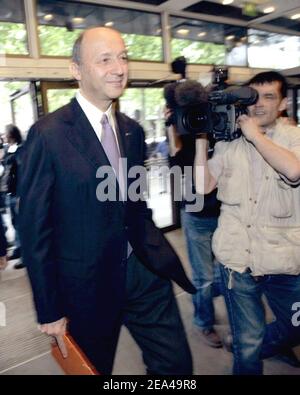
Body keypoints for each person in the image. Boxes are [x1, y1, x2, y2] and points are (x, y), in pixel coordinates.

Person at [19, 27, 195, 375]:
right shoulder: (48, 134)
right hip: (86, 285)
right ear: (76, 70)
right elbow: (33, 229)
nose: (119, 68)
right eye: (104, 60)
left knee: (176, 366)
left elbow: (135, 202)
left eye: (123, 57)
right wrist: (48, 307)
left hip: (143, 273)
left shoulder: (132, 130)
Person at [194, 71, 300, 374]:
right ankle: (247, 344)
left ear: (282, 104)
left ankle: (262, 342)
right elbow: (203, 186)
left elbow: (293, 171)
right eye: (253, 97)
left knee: (295, 327)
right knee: (247, 347)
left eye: (269, 97)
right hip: (236, 261)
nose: (259, 104)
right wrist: (202, 139)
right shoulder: (230, 141)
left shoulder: (295, 137)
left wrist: (255, 135)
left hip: (285, 262)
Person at [166, 114, 222, 348]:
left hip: (223, 213)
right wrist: (172, 126)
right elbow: (175, 160)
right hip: (196, 215)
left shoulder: (221, 136)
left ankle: (200, 298)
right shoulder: (185, 140)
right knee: (204, 277)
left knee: (223, 274)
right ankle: (203, 322)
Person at [3, 125, 24, 268]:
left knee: (21, 224)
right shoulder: (7, 149)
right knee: (14, 223)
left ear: (12, 134)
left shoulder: (21, 149)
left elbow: (22, 172)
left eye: (6, 133)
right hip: (9, 192)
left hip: (18, 192)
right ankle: (18, 249)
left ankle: (25, 255)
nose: (4, 135)